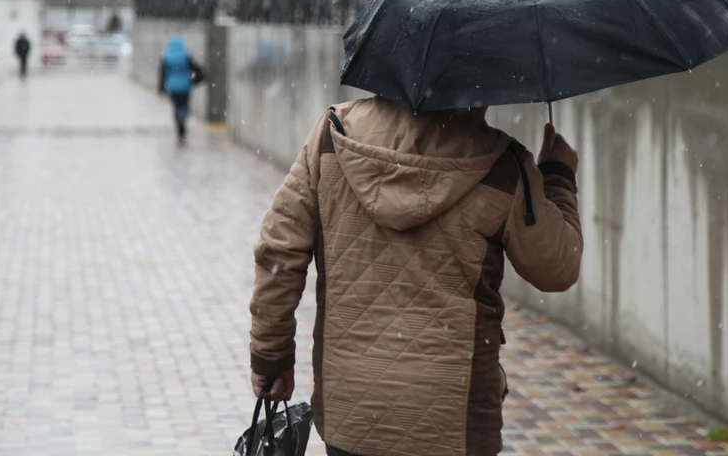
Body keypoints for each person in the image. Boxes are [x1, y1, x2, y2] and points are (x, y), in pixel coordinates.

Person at [248, 97, 583, 456]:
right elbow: (557, 268)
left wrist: (272, 357)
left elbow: (279, 250)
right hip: (455, 418)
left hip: (352, 409)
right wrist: (557, 177)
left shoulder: (332, 135)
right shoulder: (505, 166)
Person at [157, 35, 205, 144]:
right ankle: (182, 120)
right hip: (185, 85)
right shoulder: (185, 56)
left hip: (172, 87)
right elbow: (196, 69)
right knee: (184, 105)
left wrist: (161, 88)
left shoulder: (166, 57)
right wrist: (194, 80)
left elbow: (162, 74)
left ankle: (179, 124)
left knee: (176, 106)